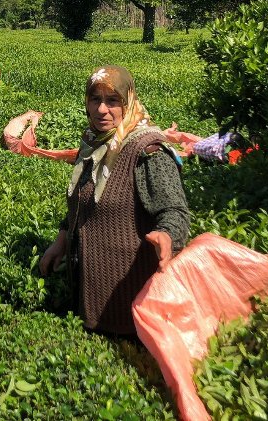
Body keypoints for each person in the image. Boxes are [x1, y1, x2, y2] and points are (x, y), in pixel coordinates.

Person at [39, 65, 189, 338]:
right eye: (95, 99)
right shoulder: (94, 142)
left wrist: (168, 236)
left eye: (112, 101)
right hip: (86, 304)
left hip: (127, 313)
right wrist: (61, 240)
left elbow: (174, 210)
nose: (102, 110)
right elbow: (83, 202)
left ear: (128, 101)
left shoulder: (148, 150)